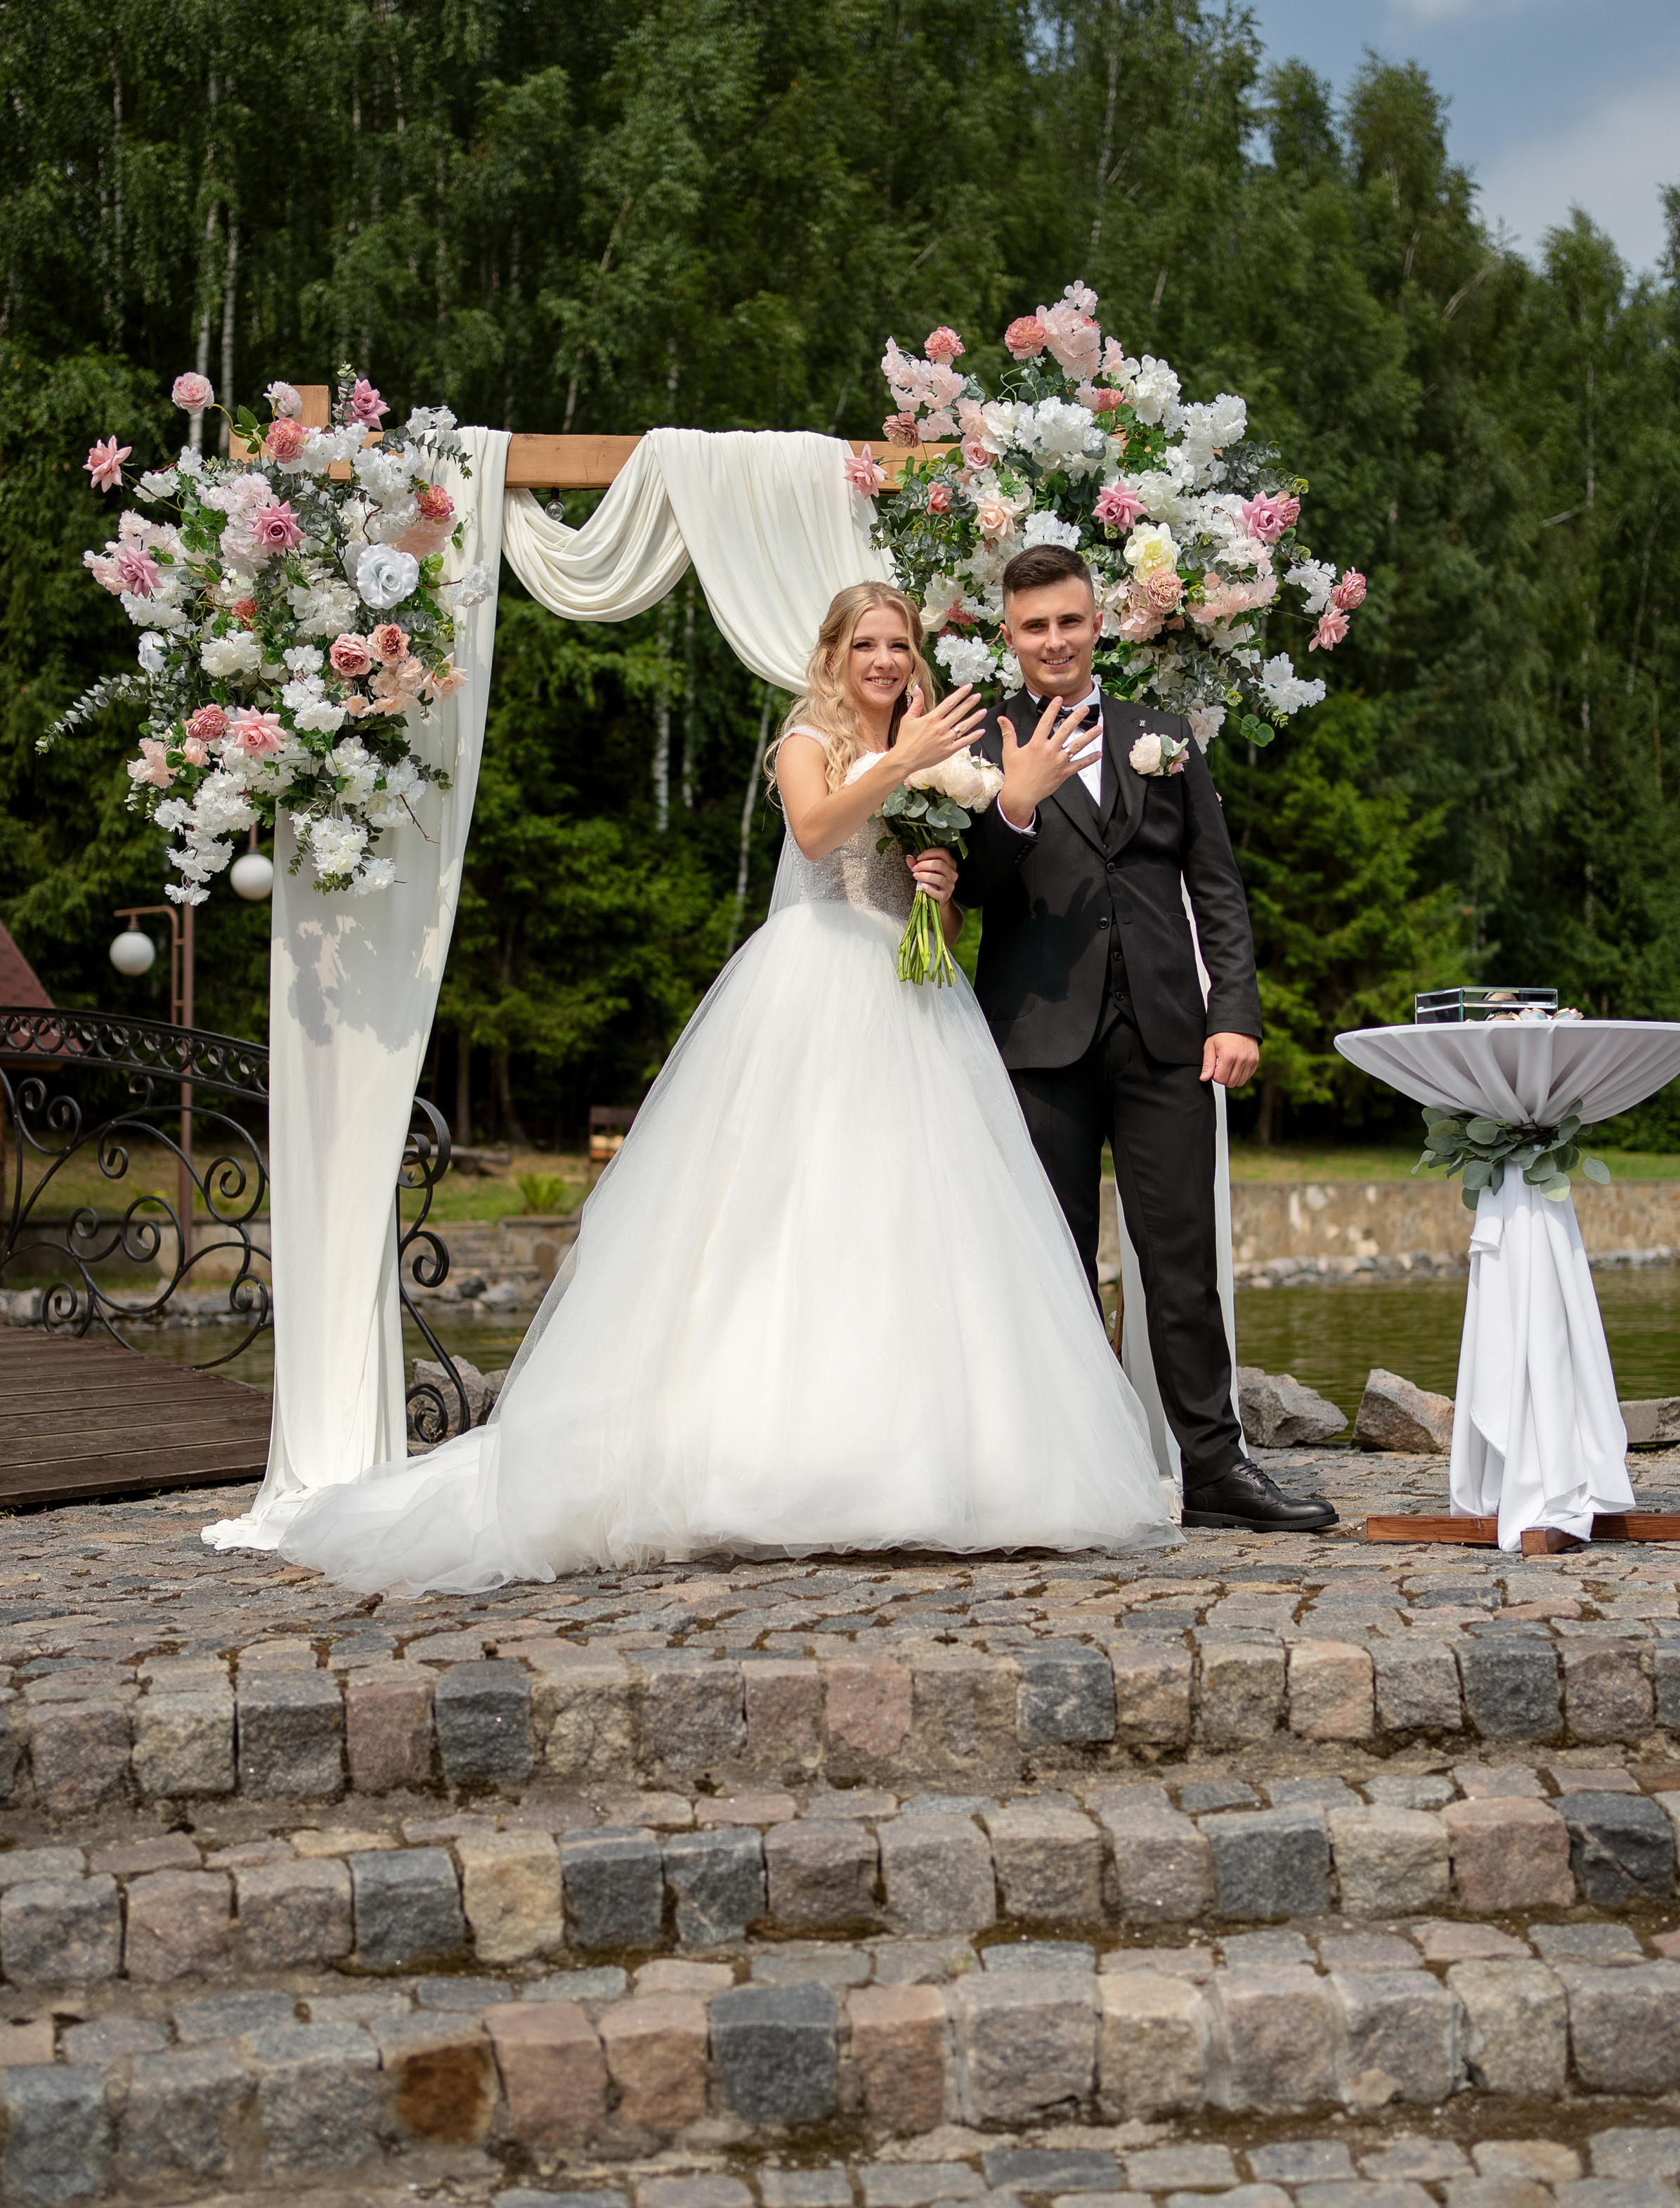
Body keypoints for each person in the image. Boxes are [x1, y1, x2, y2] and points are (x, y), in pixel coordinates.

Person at [271, 580, 1173, 1594]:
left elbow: (926, 905)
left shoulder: (929, 749)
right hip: (814, 981)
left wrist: (942, 896)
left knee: (908, 1219)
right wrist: (907, 764)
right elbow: (817, 834)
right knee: (788, 1209)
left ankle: (928, 1450)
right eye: (866, 644)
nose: (884, 660)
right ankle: (753, 1448)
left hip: (908, 994)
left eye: (899, 644)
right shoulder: (808, 739)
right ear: (835, 655)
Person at [959, 543, 1338, 1538]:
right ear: (1010, 635)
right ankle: (1067, 1477)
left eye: (1070, 621)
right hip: (1038, 1041)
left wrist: (1236, 1013)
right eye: (1034, 626)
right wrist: (1015, 801)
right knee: (1055, 1262)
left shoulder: (1162, 736)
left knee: (1184, 1263)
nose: (1054, 641)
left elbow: (1216, 885)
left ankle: (1214, 1471)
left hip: (1169, 1037)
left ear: (1099, 624)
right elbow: (973, 890)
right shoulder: (980, 747)